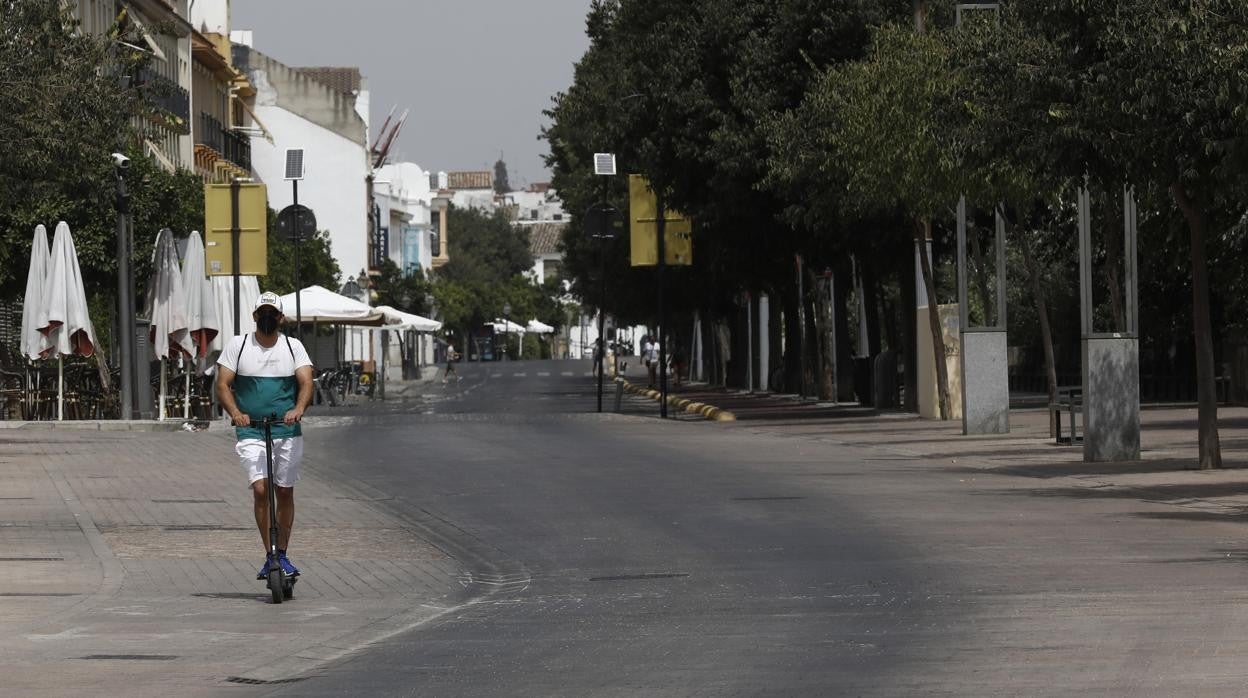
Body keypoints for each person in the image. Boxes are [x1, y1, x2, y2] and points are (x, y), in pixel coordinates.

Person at [215, 292, 314, 582]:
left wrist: (298, 408)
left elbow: (306, 382)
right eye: (263, 312)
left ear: (281, 318)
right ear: (255, 316)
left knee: (284, 490)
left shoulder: (293, 347)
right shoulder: (239, 345)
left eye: (273, 313)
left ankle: (281, 552)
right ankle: (268, 553)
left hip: (286, 430)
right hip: (251, 428)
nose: (268, 317)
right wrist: (235, 412)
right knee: (260, 489)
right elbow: (222, 384)